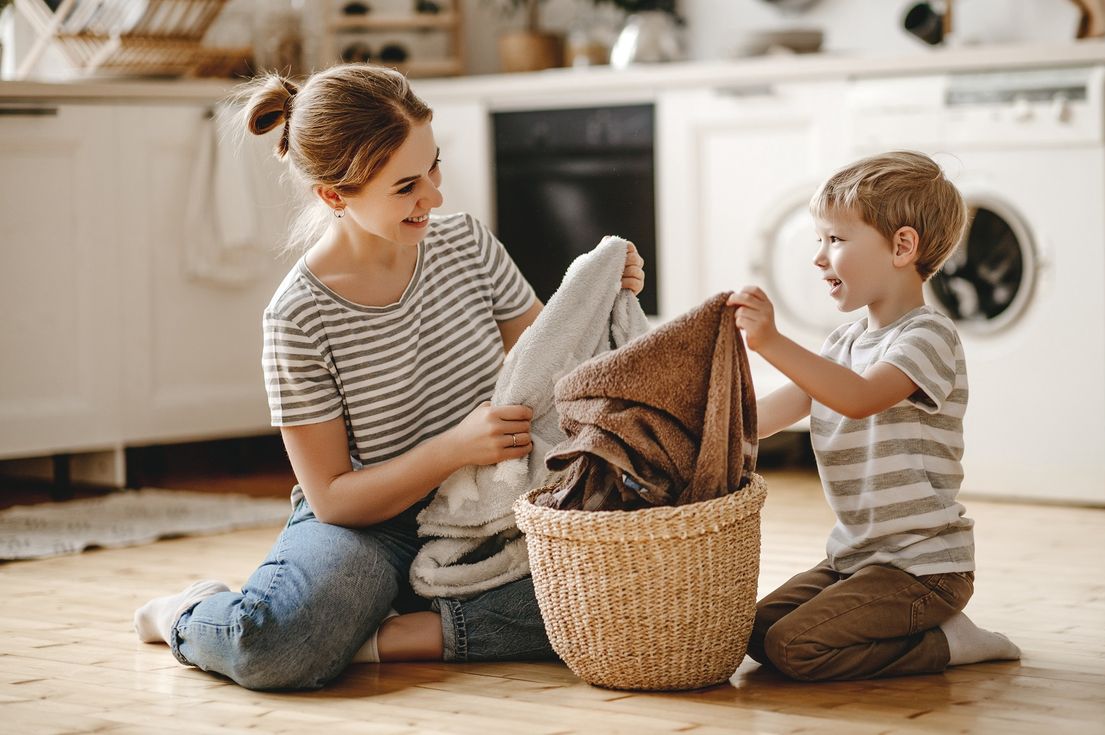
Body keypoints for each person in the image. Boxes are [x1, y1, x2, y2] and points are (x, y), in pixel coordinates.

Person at [132, 64, 645, 691]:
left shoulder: (468, 245)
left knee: (623, 600)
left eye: (433, 167)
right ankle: (190, 614)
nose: (433, 197)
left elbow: (560, 368)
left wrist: (602, 295)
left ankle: (392, 635)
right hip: (369, 528)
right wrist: (453, 449)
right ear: (334, 196)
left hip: (491, 510)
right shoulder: (297, 317)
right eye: (406, 186)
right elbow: (333, 498)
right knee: (274, 647)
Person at [727, 151, 1020, 681]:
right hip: (857, 559)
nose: (819, 258)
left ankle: (949, 642)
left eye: (835, 240)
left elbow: (859, 397)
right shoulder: (843, 341)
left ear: (902, 247)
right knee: (750, 634)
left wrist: (769, 341)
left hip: (924, 569)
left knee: (796, 649)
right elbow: (769, 415)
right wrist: (706, 426)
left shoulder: (928, 336)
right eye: (820, 240)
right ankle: (913, 630)